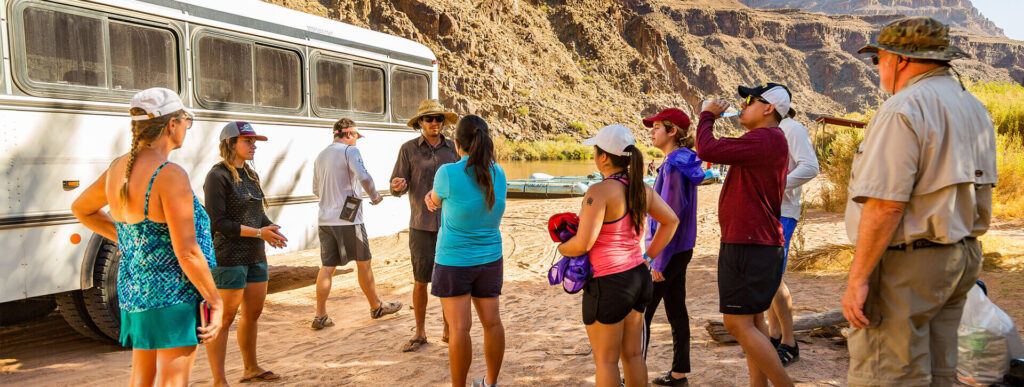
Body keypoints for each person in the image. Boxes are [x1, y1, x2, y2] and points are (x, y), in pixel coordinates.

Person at [842, 17, 996, 386]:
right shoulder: (973, 106)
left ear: (900, 59)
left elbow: (886, 205)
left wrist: (859, 278)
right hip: (960, 257)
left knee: (888, 373)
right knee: (941, 371)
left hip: (907, 266)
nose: (877, 68)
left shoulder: (903, 107)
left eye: (878, 59)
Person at [70, 87, 222, 386]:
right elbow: (188, 252)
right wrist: (214, 300)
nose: (186, 128)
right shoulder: (168, 174)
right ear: (172, 125)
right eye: (186, 121)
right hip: (173, 295)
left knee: (142, 379)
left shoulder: (118, 168)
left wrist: (130, 239)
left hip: (136, 293)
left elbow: (82, 209)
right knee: (172, 381)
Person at [558, 124, 679, 387]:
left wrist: (562, 248)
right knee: (634, 355)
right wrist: (648, 257)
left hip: (608, 283)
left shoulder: (599, 193)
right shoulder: (641, 189)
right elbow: (671, 221)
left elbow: (582, 244)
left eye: (595, 150)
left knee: (606, 361)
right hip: (637, 277)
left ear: (603, 157)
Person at [699, 84, 793, 387]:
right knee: (753, 321)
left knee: (736, 323)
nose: (744, 104)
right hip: (755, 243)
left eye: (751, 100)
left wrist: (707, 116)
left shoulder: (765, 138)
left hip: (749, 244)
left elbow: (707, 149)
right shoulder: (767, 139)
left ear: (768, 109)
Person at [424, 115, 507, 387]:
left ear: (457, 144)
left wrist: (431, 199)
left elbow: (434, 201)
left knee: (460, 328)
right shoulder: (499, 173)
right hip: (490, 259)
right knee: (492, 324)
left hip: (454, 261)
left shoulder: (448, 173)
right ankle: (490, 383)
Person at [203, 122, 288, 385]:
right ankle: (219, 380)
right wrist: (259, 233)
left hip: (255, 255)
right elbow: (217, 223)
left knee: (253, 314)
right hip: (228, 257)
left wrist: (268, 228)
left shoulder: (250, 174)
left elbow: (256, 213)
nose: (254, 146)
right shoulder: (217, 176)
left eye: (254, 141)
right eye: (247, 141)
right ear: (230, 143)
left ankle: (251, 368)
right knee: (224, 318)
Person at [311, 118, 401, 329]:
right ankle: (376, 306)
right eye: (356, 137)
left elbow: (316, 189)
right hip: (349, 220)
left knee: (327, 267)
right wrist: (375, 196)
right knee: (364, 262)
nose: (357, 141)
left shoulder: (320, 155)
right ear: (349, 134)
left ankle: (320, 314)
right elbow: (365, 177)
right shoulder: (350, 152)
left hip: (325, 219)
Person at [640, 109, 705, 386]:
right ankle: (680, 374)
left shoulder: (674, 166)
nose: (651, 132)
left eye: (656, 127)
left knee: (641, 312)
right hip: (680, 248)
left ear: (672, 131)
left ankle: (633, 376)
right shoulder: (677, 162)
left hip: (669, 251)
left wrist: (657, 260)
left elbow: (671, 216)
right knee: (676, 309)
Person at [390, 99, 460, 352]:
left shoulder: (454, 149)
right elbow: (398, 184)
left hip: (449, 226)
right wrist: (397, 187)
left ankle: (448, 329)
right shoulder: (408, 149)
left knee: (447, 279)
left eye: (438, 119)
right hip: (420, 224)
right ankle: (420, 332)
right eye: (429, 119)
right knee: (421, 281)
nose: (434, 123)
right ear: (419, 123)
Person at [766, 109, 820, 367]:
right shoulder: (770, 131)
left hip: (784, 210)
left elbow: (810, 167)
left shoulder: (791, 128)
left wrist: (776, 184)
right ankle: (774, 335)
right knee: (769, 275)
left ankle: (789, 342)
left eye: (756, 100)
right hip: (769, 209)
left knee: (773, 274)